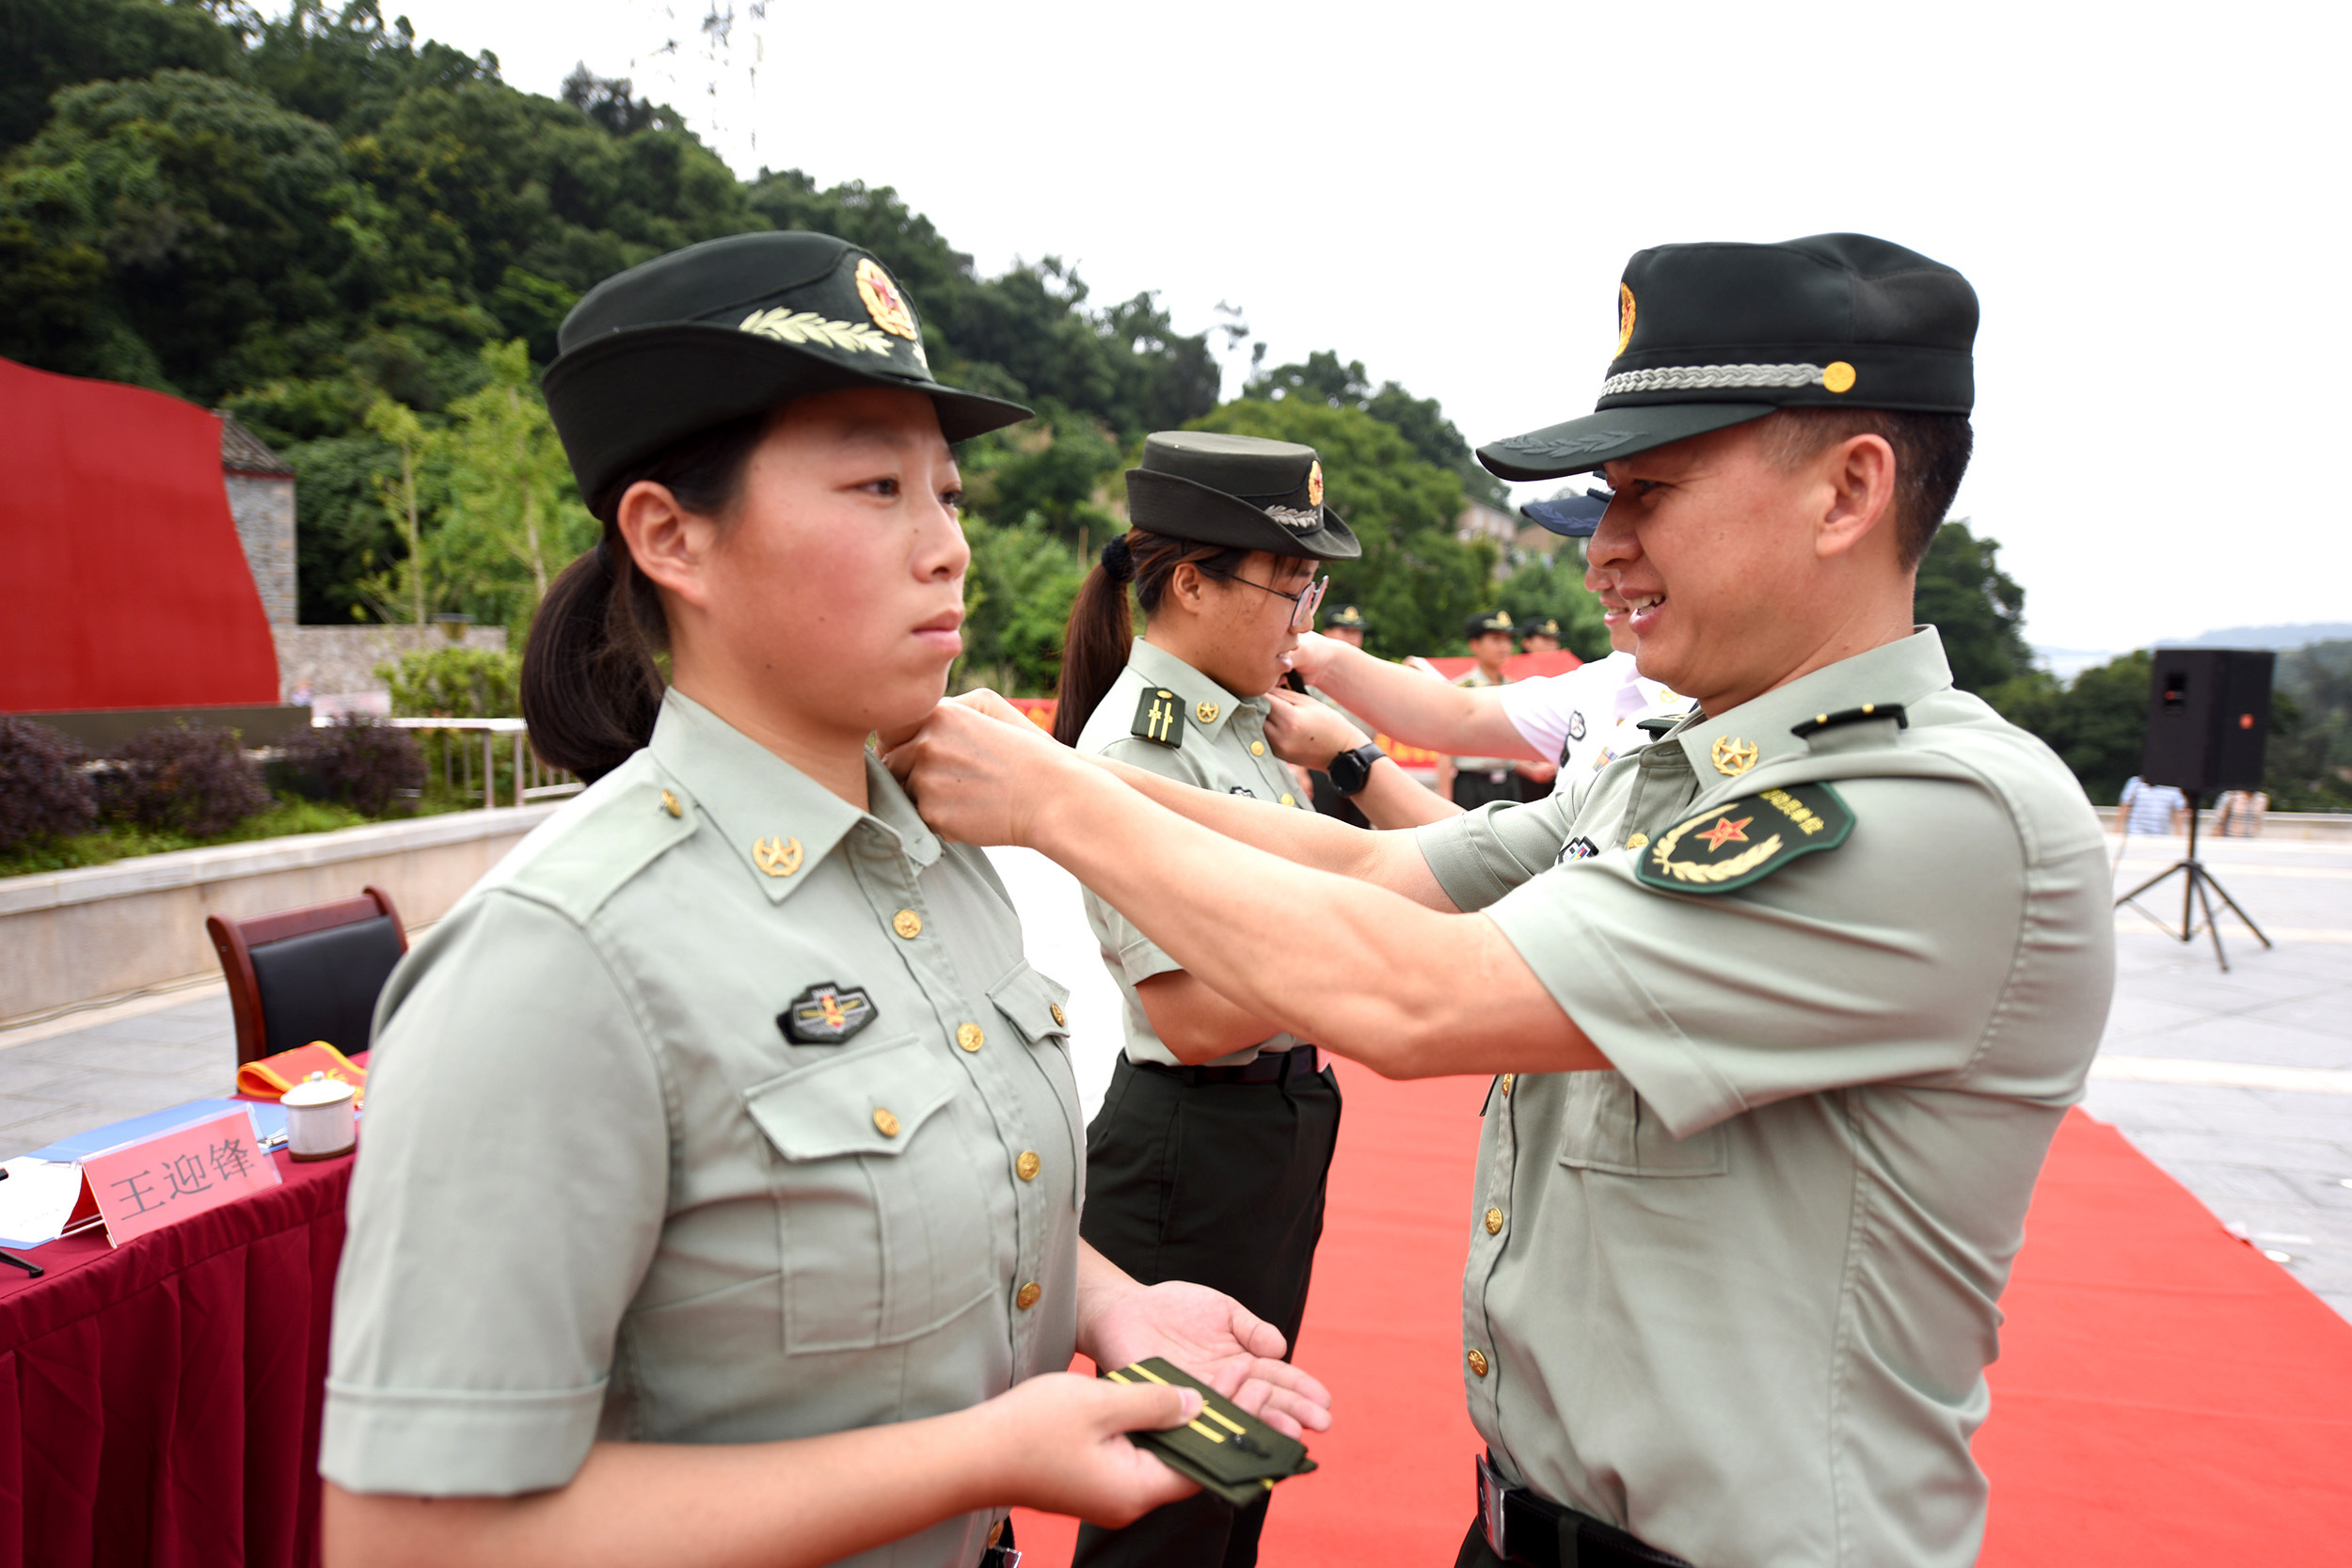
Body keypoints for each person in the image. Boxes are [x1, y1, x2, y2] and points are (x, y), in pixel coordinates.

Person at [887, 232, 2115, 1568]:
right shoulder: (1671, 772)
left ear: (1847, 491)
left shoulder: (1929, 810)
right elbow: (1376, 868)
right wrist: (1059, 775)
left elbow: (1418, 992)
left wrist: (1054, 802)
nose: (1607, 552)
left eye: (1649, 491)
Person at [317, 232, 1329, 1568]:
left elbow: (926, 1185)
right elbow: (409, 1537)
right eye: (874, 486)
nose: (948, 550)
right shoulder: (561, 958)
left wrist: (1115, 1303)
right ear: (671, 536)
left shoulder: (937, 855)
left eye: (948, 494)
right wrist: (984, 1452)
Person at [1048, 431, 1359, 1568]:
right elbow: (1185, 1011)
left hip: (1270, 1127)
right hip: (1193, 1147)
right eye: (1291, 584)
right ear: (1190, 581)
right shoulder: (1144, 746)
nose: (1302, 615)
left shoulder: (1250, 727)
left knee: (1237, 1483)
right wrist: (1361, 964)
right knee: (1174, 1508)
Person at [1438, 611, 1529, 809]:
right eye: (1496, 639)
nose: (1504, 647)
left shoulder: (1514, 689)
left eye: (1508, 640)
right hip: (1471, 786)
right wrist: (1444, 801)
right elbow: (1444, 751)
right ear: (1475, 645)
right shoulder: (1460, 690)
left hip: (1509, 785)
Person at [2116, 773, 2190, 835]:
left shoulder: (2173, 788)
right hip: (2135, 834)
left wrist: (2180, 835)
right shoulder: (2135, 783)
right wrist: (2117, 830)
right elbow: (2125, 806)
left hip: (2161, 837)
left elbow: (2177, 812)